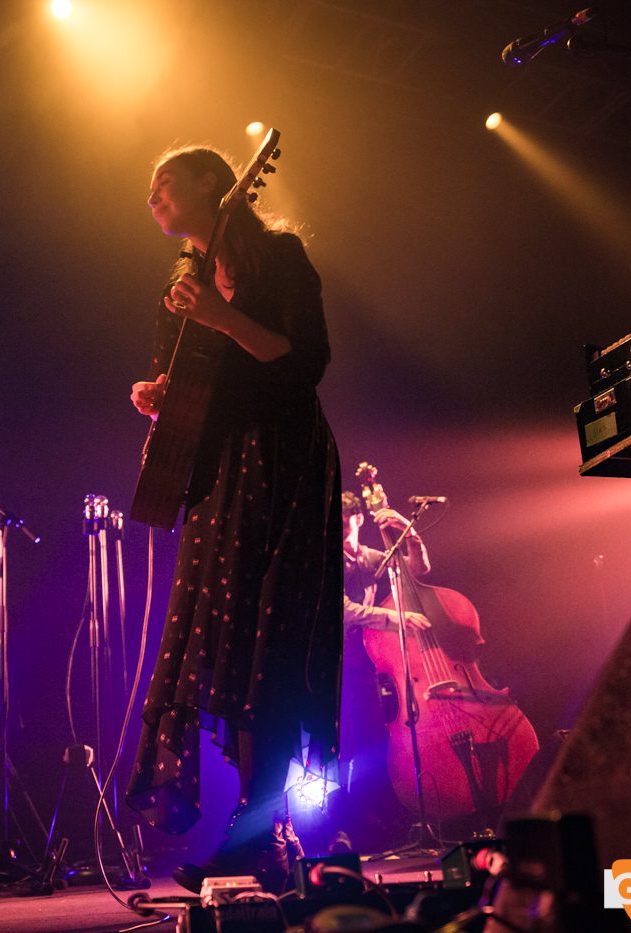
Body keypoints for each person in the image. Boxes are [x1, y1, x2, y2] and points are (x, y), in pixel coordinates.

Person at [125, 144, 342, 892]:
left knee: (270, 638)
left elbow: (303, 362)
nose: (153, 194)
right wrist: (159, 391)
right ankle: (256, 830)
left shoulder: (278, 256)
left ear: (216, 182)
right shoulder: (179, 282)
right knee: (231, 645)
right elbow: (194, 380)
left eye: (166, 182)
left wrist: (220, 316)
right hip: (218, 473)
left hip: (280, 460)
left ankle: (257, 828)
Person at [338, 490, 431, 849]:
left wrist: (412, 535)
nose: (343, 527)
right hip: (344, 654)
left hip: (370, 654)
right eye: (338, 521)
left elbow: (415, 572)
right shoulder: (329, 559)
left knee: (377, 730)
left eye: (347, 520)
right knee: (355, 735)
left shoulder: (369, 557)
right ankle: (356, 819)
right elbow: (343, 609)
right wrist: (397, 618)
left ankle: (389, 810)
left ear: (359, 520)